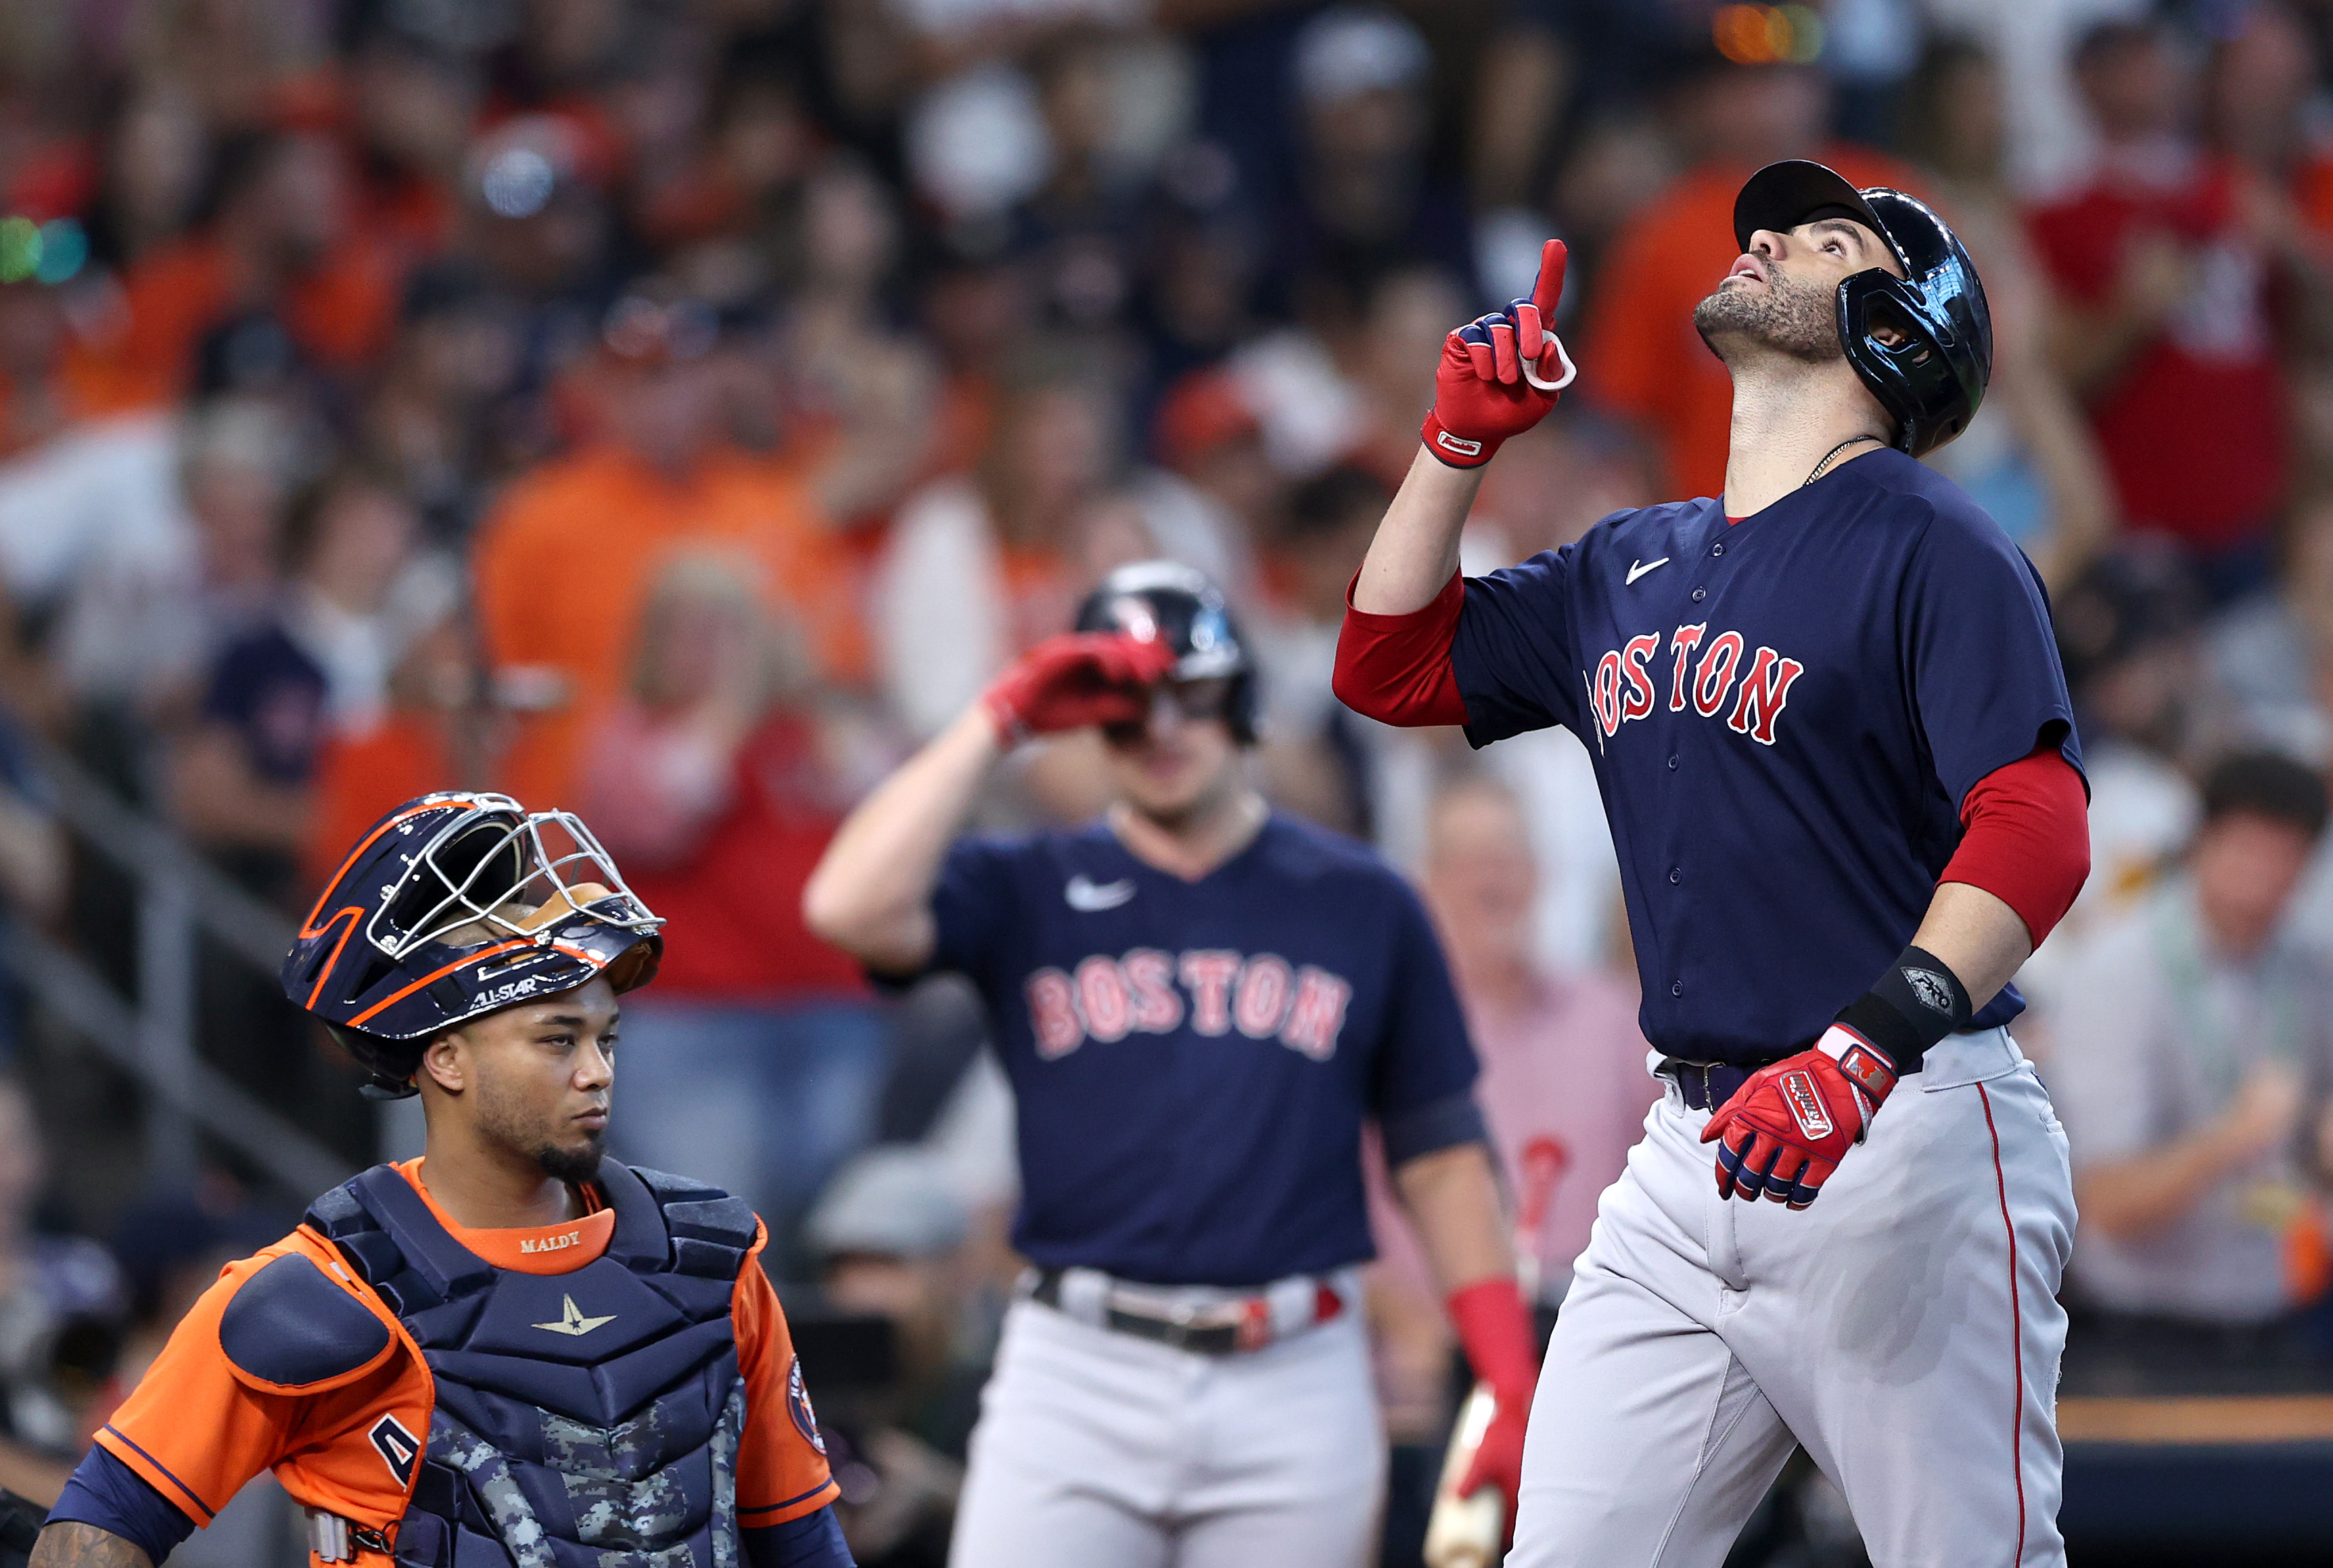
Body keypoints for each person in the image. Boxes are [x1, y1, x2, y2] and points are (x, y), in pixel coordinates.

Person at [1337, 163, 2092, 1565]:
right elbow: (1386, 668)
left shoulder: (1933, 540)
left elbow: (2037, 818)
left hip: (1900, 1124)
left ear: (1897, 326)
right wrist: (1451, 450)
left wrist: (1859, 1052)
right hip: (1687, 1149)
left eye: (1821, 240)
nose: (1762, 239)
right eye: (1768, 226)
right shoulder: (1631, 558)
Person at [802, 562, 1540, 1567]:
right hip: (1077, 1363)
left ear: (1241, 704)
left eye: (1189, 697)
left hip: (1295, 1368)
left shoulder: (1361, 899)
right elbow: (846, 906)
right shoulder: (1031, 882)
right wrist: (1004, 713)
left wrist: (1505, 1372)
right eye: (1124, 706)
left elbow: (1439, 1152)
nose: (1160, 730)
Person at [29, 792, 854, 1568]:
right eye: (557, 1040)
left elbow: (805, 1541)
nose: (596, 1071)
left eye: (608, 1038)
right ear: (446, 1057)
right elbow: (96, 1526)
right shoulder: (322, 1289)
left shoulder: (710, 1256)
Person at [2049, 753, 2333, 1347]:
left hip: (2278, 1306)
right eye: (2249, 851)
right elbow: (2104, 1203)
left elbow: (2305, 1149)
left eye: (2288, 858)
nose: (2267, 878)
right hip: (2141, 1327)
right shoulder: (2117, 973)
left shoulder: (2307, 967)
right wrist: (2234, 1137)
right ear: (2200, 843)